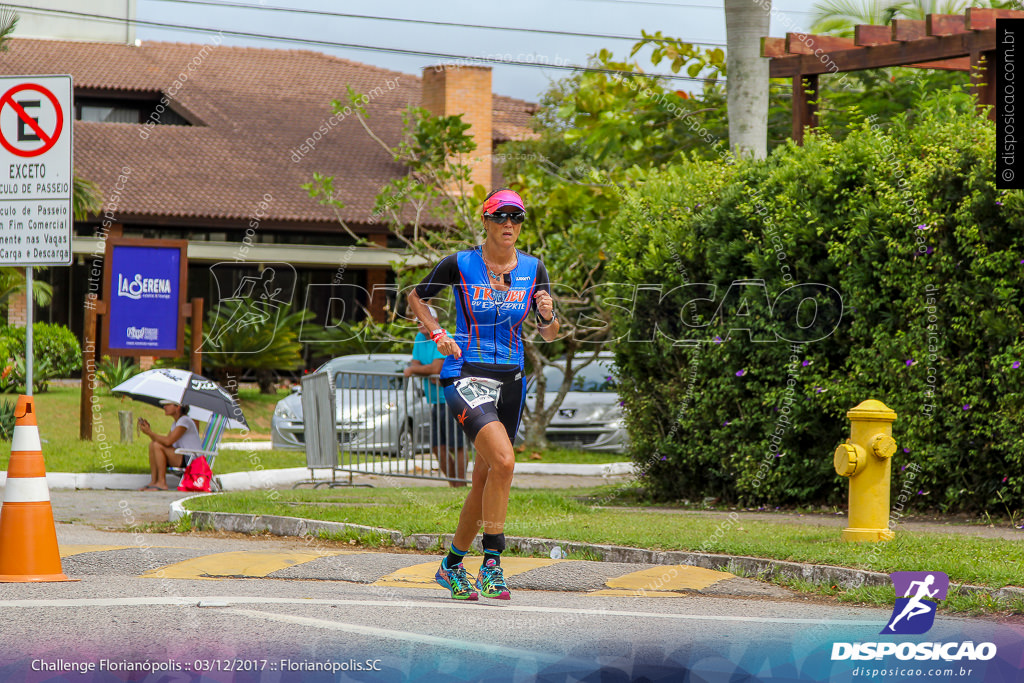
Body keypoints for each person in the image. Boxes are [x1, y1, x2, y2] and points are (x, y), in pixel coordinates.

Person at [407, 188, 559, 601]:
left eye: (517, 217)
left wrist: (547, 314)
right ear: (487, 221)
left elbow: (549, 334)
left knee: (485, 478)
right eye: (502, 216)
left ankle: (451, 565)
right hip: (466, 373)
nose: (510, 224)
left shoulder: (533, 267)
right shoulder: (460, 263)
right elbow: (415, 297)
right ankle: (492, 564)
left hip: (511, 380)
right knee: (506, 463)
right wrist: (437, 332)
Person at [404, 306, 467, 487]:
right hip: (435, 400)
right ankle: (454, 485)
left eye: (425, 320)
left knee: (457, 445)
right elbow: (418, 364)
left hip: (452, 399)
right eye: (418, 321)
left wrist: (414, 370)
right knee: (437, 447)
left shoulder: (443, 338)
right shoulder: (419, 338)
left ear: (435, 321)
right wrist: (421, 369)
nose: (421, 324)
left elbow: (435, 368)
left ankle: (460, 484)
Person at [137, 400, 203, 491]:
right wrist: (149, 432)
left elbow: (168, 442)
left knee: (156, 445)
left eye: (167, 405)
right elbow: (165, 442)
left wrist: (149, 433)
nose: (164, 407)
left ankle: (162, 483)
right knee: (153, 444)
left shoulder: (185, 421)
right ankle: (154, 481)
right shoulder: (176, 423)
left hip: (192, 460)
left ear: (178, 407)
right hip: (183, 456)